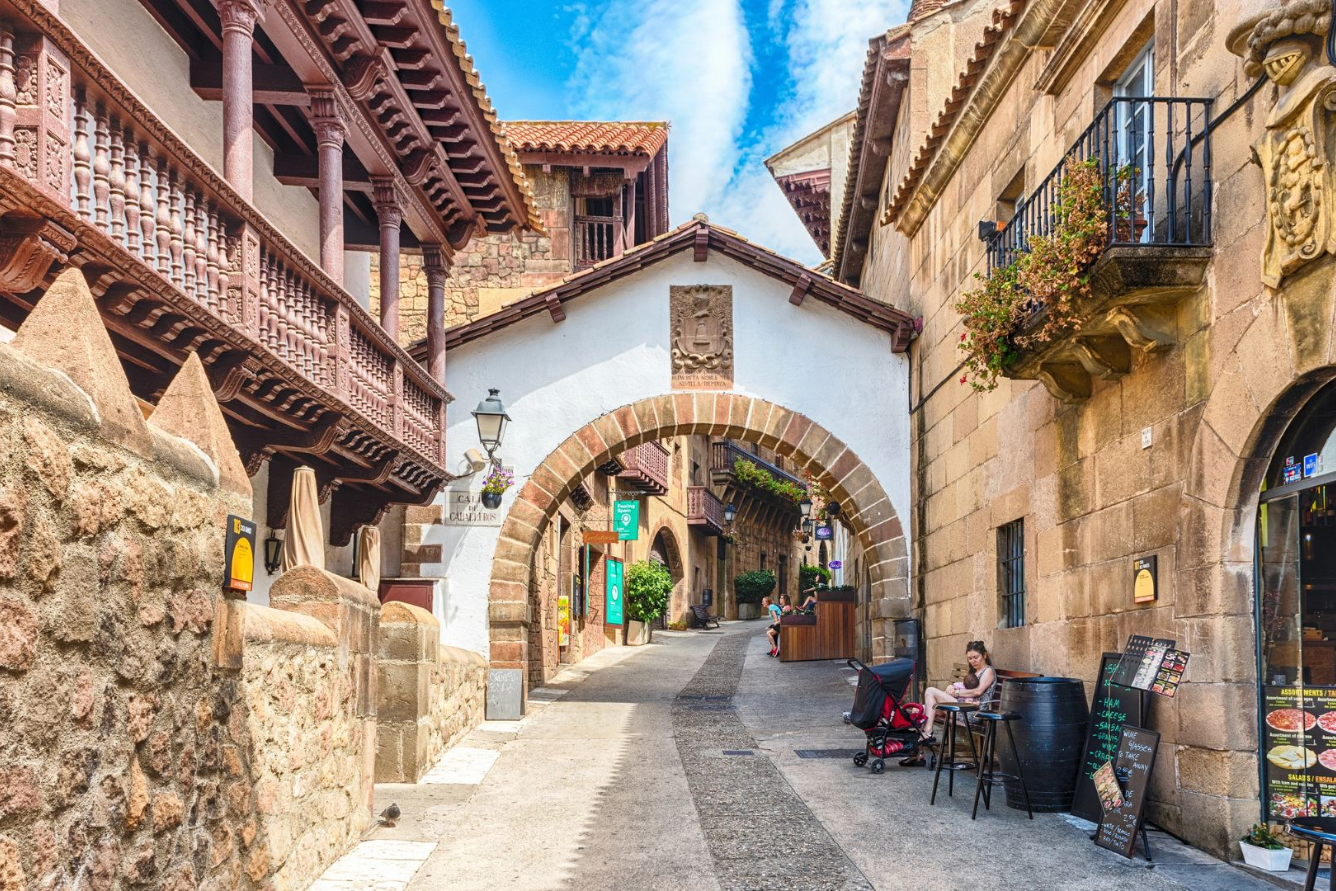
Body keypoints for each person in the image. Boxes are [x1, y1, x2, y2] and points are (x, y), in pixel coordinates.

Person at [900, 640, 995, 767]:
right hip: (961, 707)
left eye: (976, 657)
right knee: (918, 710)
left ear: (984, 655)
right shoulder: (973, 672)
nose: (973, 661)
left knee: (930, 690)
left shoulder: (988, 671)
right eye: (970, 658)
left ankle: (927, 732)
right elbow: (963, 687)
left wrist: (956, 692)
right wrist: (952, 687)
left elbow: (978, 691)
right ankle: (918, 754)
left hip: (971, 712)